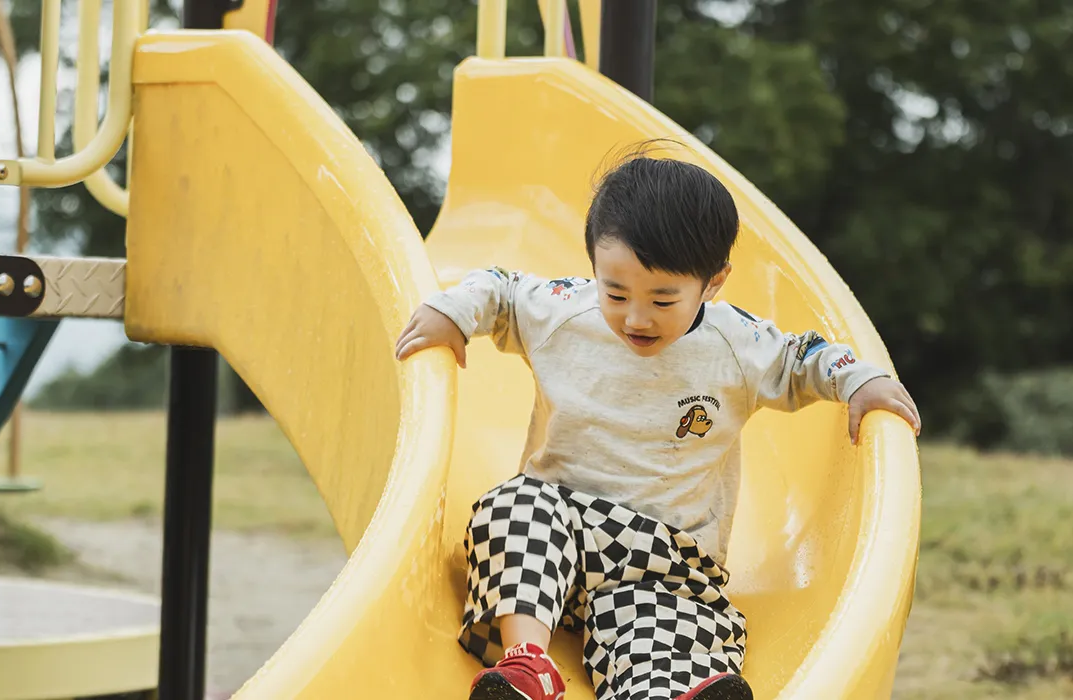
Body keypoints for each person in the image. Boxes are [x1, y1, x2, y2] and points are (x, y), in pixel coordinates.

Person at [393, 150, 923, 700]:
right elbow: (499, 287)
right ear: (594, 266)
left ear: (713, 282)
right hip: (558, 536)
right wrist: (452, 312)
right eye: (615, 293)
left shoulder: (738, 344)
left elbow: (804, 357)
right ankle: (527, 665)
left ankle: (668, 690)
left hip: (662, 561)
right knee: (515, 507)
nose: (636, 317)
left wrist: (858, 381)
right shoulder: (563, 311)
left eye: (663, 299)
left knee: (657, 624)